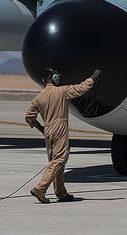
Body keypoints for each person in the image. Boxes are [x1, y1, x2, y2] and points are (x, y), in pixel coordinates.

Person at [24, 68, 101, 204]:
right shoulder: (62, 91)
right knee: (60, 159)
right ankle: (40, 188)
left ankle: (61, 193)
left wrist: (39, 127)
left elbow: (28, 116)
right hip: (60, 127)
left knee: (55, 161)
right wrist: (93, 77)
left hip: (48, 131)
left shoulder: (39, 97)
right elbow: (81, 88)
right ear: (53, 78)